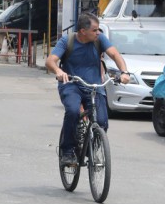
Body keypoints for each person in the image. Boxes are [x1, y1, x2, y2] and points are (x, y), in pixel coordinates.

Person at [45, 13, 132, 167]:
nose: (98, 33)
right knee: (72, 111)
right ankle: (68, 151)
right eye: (95, 30)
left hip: (94, 86)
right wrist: (58, 71)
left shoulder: (99, 39)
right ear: (83, 31)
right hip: (72, 84)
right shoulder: (67, 41)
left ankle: (89, 150)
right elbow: (51, 61)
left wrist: (124, 72)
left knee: (102, 122)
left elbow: (114, 54)